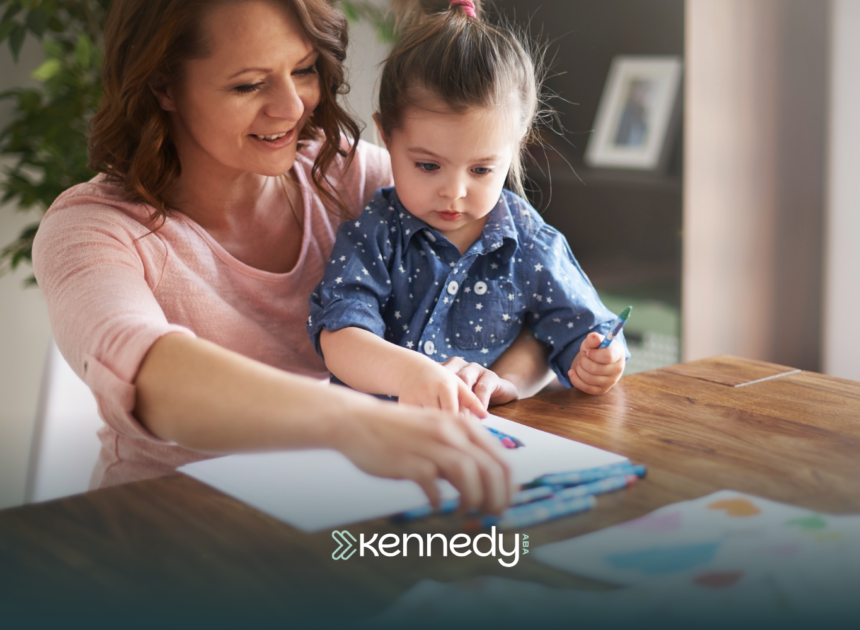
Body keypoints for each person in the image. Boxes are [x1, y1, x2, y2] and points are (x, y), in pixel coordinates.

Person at [32, 0, 556, 514]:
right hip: (171, 540)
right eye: (249, 84)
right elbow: (147, 374)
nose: (292, 107)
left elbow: (531, 288)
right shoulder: (92, 229)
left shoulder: (357, 180)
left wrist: (506, 374)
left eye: (304, 69)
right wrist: (349, 422)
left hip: (340, 522)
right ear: (163, 85)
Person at [308, 0, 629, 409]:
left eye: (480, 170)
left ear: (516, 148)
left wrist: (601, 359)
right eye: (428, 165)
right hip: (378, 442)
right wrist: (411, 374)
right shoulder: (376, 233)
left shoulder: (530, 240)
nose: (454, 192)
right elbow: (339, 335)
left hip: (492, 440)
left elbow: (581, 328)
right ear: (386, 137)